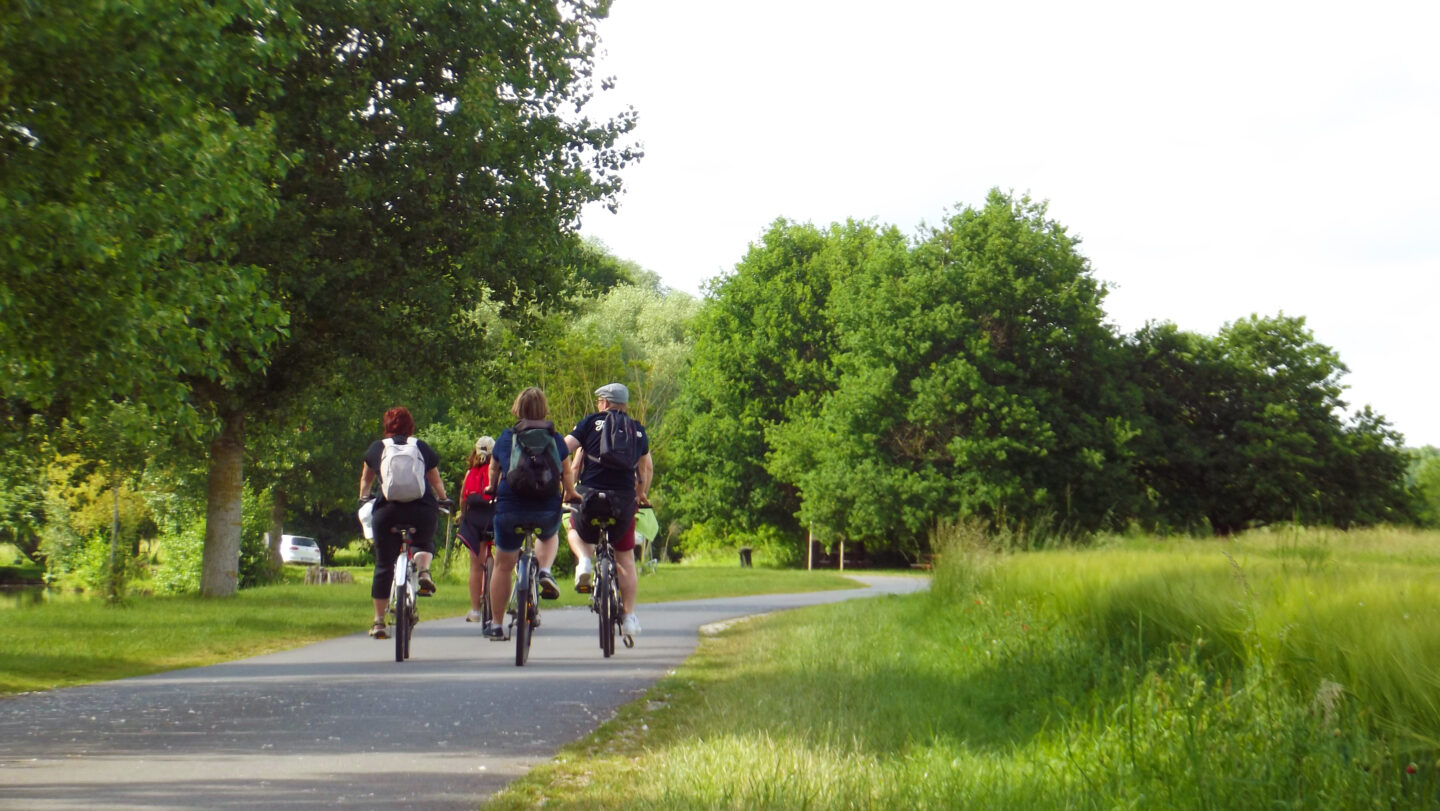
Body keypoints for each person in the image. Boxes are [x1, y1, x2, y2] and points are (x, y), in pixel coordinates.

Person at [562, 382, 652, 638]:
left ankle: (585, 562)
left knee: (575, 530)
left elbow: (563, 448)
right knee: (625, 558)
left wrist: (566, 484)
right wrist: (640, 495)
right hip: (622, 502)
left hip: (589, 498)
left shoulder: (590, 422)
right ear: (624, 404)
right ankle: (629, 617)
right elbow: (644, 469)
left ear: (603, 403)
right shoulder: (637, 430)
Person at [481, 387, 567, 640]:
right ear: (544, 409)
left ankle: (496, 625)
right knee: (550, 535)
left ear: (517, 409)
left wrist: (491, 487)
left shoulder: (507, 437)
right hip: (545, 508)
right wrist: (571, 492)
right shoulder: (555, 437)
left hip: (511, 507)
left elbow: (494, 468)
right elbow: (566, 471)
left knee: (503, 565)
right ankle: (544, 571)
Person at [358, 406, 449, 639]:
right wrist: (443, 499)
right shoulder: (420, 447)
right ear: (411, 426)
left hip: (388, 512)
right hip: (421, 510)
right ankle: (424, 571)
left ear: (386, 426)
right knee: (424, 542)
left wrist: (363, 498)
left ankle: (378, 622)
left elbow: (366, 480)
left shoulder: (377, 448)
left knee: (384, 564)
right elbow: (435, 480)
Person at [457, 436, 497, 623]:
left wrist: (462, 515)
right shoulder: (497, 471)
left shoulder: (469, 473)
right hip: (494, 517)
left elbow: (463, 500)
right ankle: (497, 607)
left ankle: (475, 610)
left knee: (475, 566)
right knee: (502, 561)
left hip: (474, 520)